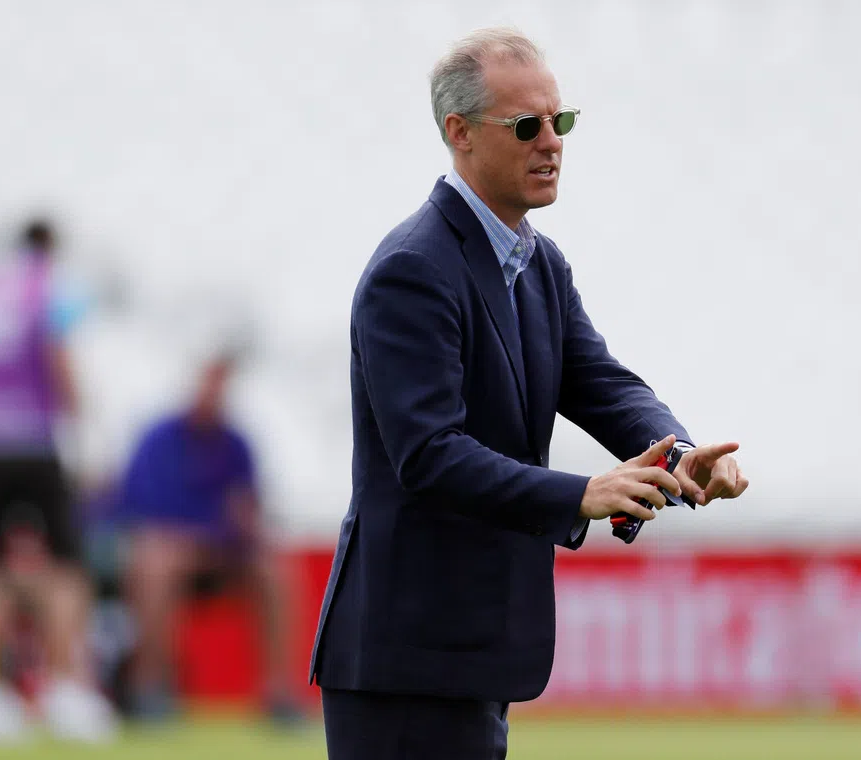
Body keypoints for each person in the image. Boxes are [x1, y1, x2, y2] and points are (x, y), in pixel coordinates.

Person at [309, 27, 749, 759]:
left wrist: (681, 454)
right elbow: (429, 454)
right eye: (526, 125)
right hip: (407, 658)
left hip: (473, 651)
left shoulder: (538, 263)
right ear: (460, 134)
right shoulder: (412, 270)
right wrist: (579, 493)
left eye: (559, 121)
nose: (551, 142)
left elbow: (599, 380)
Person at [0, 218, 117, 744]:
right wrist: (81, 425)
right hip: (36, 442)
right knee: (66, 570)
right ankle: (66, 689)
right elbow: (56, 355)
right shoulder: (49, 287)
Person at [114, 351, 305, 725]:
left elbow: (247, 511)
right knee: (156, 562)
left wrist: (237, 528)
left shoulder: (237, 444)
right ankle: (150, 686)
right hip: (170, 554)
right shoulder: (158, 439)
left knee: (275, 571)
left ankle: (280, 692)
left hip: (218, 555)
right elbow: (144, 511)